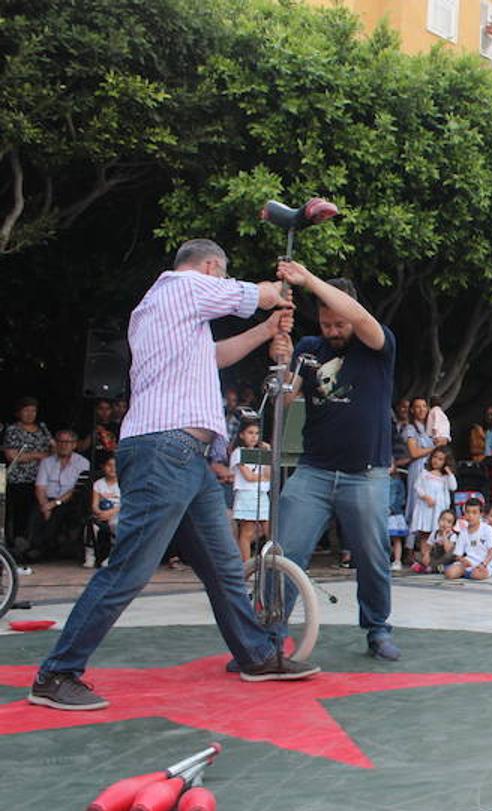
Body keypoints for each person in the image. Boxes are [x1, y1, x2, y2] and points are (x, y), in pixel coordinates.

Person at [29, 239, 316, 711]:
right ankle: (57, 672)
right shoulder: (181, 286)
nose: (223, 286)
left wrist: (268, 329)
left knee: (223, 566)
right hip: (168, 448)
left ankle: (256, 655)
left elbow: (216, 356)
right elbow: (254, 293)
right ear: (209, 267)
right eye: (221, 277)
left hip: (185, 455)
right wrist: (280, 290)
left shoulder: (171, 313)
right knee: (130, 569)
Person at [271, 259, 400, 661]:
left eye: (338, 324)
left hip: (366, 474)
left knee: (372, 557)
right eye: (326, 324)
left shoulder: (378, 345)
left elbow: (360, 318)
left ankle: (378, 628)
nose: (333, 331)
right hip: (314, 470)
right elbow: (284, 397)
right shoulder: (310, 350)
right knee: (286, 552)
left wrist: (308, 279)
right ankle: (269, 635)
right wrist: (279, 363)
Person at [27, 429, 90, 562]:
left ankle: (46, 549)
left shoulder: (83, 463)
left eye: (68, 442)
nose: (64, 445)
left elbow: (75, 489)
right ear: (56, 443)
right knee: (36, 512)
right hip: (47, 499)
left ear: (74, 444)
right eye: (61, 441)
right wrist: (45, 505)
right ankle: (34, 547)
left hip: (69, 500)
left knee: (59, 513)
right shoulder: (47, 462)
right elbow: (40, 486)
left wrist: (54, 504)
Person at [3, 397, 53, 553]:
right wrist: (38, 455)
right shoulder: (13, 430)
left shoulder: (42, 430)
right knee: (19, 513)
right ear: (19, 412)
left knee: (37, 513)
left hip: (42, 479)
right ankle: (16, 545)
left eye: (33, 410)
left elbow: (52, 451)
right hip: (19, 479)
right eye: (26, 410)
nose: (30, 414)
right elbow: (12, 455)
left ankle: (35, 545)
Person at [229, 420, 270, 563]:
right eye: (250, 433)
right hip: (247, 494)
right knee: (247, 531)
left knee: (269, 529)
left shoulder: (261, 452)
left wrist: (268, 453)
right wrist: (262, 477)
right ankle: (246, 565)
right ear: (241, 435)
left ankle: (272, 561)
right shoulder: (238, 452)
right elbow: (249, 476)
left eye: (257, 433)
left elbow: (269, 474)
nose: (254, 437)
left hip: (262, 494)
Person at [409, 446, 455, 570]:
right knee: (425, 535)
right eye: (435, 457)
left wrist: (449, 473)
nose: (436, 461)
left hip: (438, 511)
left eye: (440, 459)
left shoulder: (445, 478)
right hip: (426, 508)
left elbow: (453, 487)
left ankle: (434, 561)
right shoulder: (424, 473)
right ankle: (425, 560)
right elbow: (417, 487)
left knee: (435, 534)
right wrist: (426, 497)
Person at [444, 497, 492, 581]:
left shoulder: (487, 529)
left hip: (484, 564)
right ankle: (466, 572)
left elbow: (491, 552)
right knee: (450, 573)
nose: (470, 516)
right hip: (467, 563)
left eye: (474, 513)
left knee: (477, 574)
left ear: (481, 514)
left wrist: (483, 564)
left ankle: (469, 573)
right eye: (468, 512)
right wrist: (462, 560)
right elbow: (458, 555)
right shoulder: (463, 532)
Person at [85, 455, 120, 568]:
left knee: (115, 524)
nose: (112, 469)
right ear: (103, 467)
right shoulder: (98, 484)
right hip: (102, 513)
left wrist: (111, 513)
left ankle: (113, 556)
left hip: (116, 513)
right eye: (109, 465)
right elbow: (94, 505)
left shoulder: (123, 483)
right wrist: (99, 512)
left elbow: (124, 504)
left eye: (115, 466)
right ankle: (90, 556)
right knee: (91, 526)